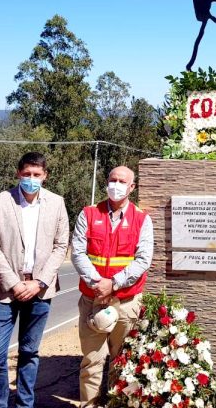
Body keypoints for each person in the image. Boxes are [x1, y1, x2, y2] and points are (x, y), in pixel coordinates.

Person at [0, 151, 69, 408]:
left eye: (36, 175)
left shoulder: (56, 202)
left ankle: (24, 404)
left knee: (29, 353)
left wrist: (39, 282)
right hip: (4, 291)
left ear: (45, 176)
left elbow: (61, 244)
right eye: (26, 174)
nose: (31, 179)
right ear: (18, 174)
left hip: (40, 291)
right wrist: (14, 283)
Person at [72, 166, 154, 408]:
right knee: (91, 361)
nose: (116, 185)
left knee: (120, 361)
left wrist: (114, 284)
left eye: (122, 181)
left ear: (132, 188)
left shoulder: (141, 219)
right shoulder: (88, 214)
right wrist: (98, 284)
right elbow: (77, 252)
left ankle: (115, 404)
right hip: (93, 299)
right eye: (112, 179)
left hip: (126, 302)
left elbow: (143, 259)